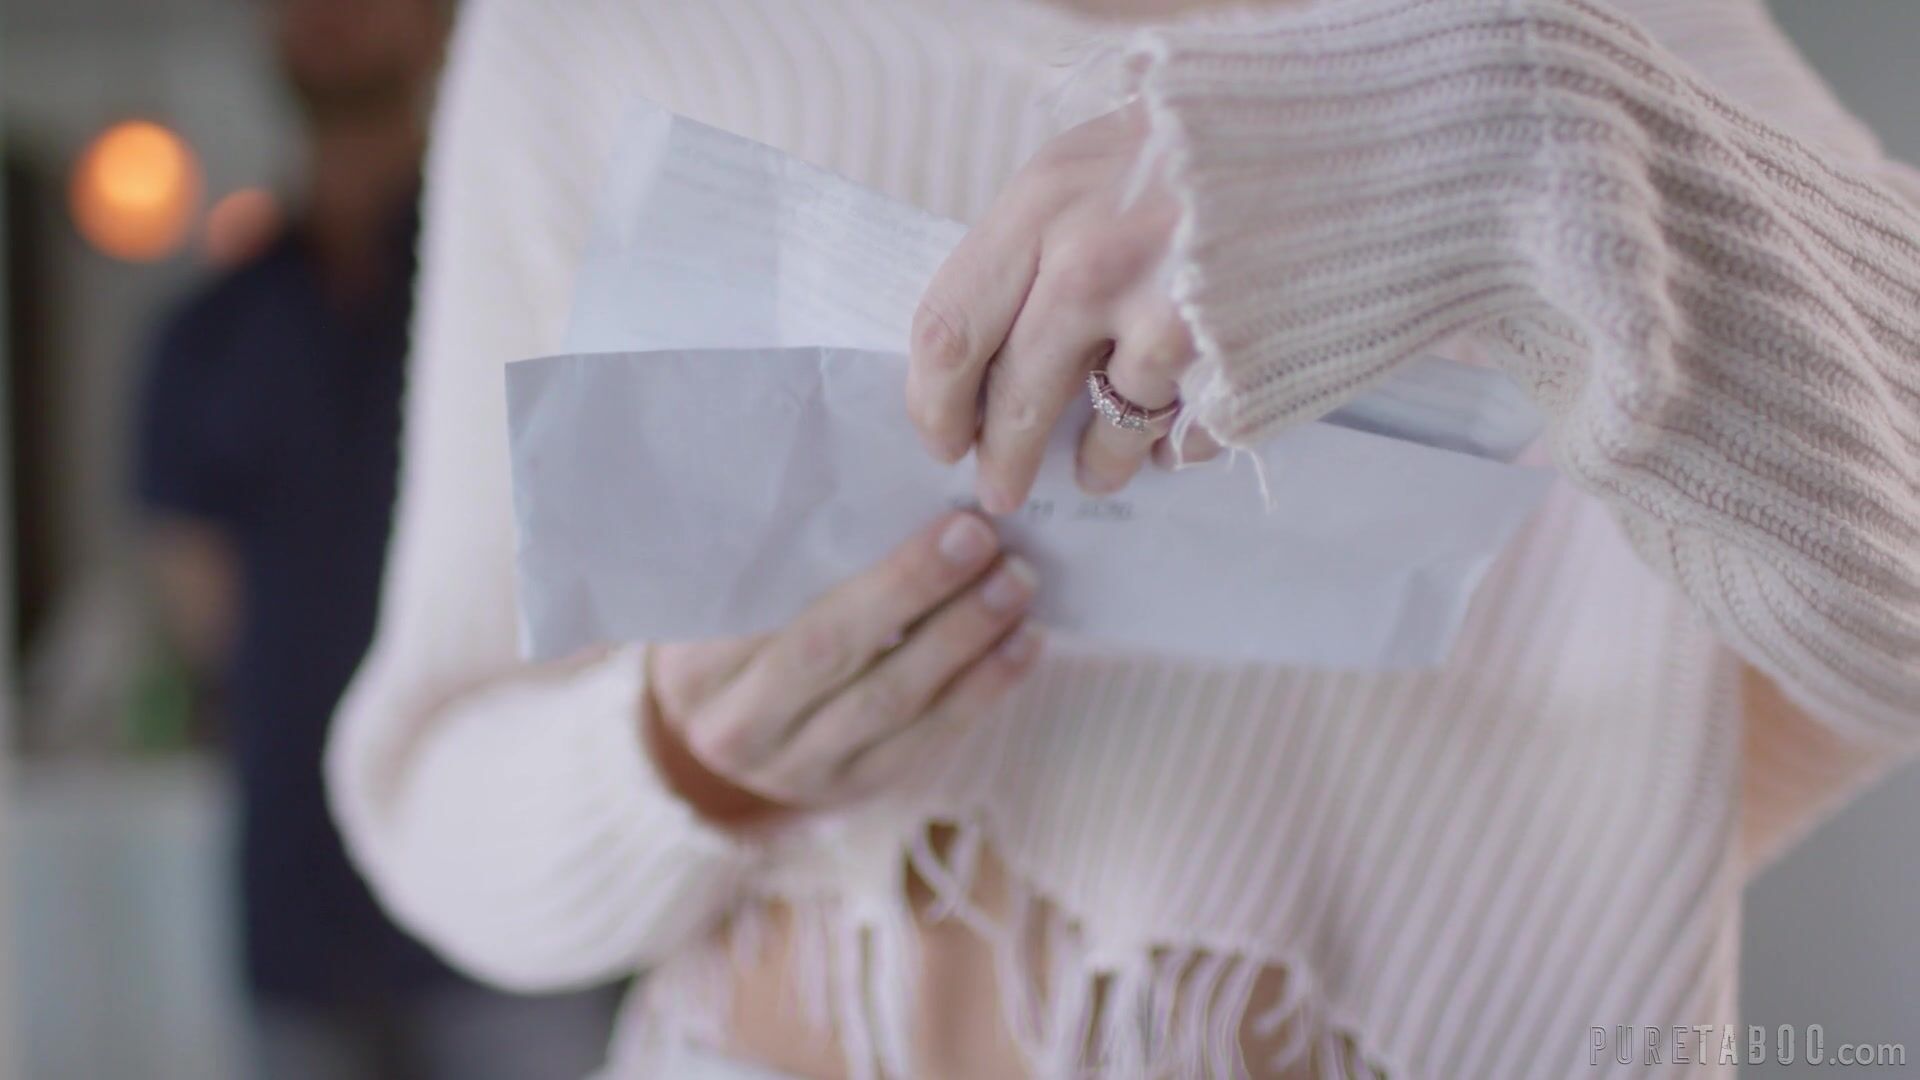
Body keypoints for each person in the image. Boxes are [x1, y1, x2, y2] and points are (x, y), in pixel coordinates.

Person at [327, 0, 1920, 1076]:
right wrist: (680, 758)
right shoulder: (598, 31)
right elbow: (428, 792)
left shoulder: (1589, 32)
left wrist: (1503, 120)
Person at [132, 1, 611, 1076]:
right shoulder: (208, 334)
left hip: (515, 883)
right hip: (301, 899)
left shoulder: (537, 282)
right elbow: (204, 611)